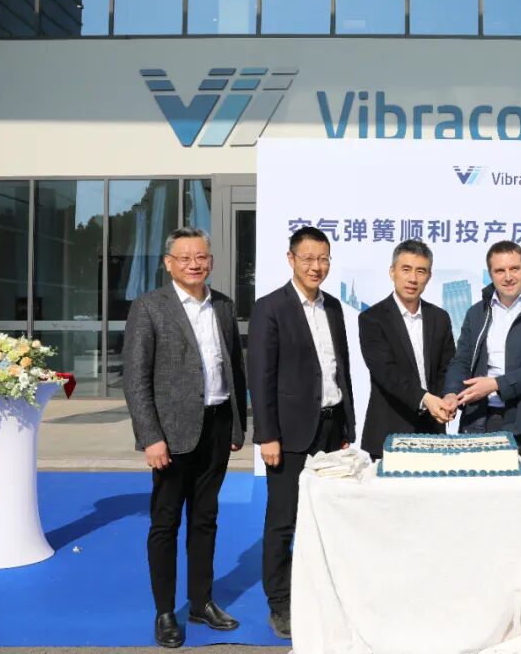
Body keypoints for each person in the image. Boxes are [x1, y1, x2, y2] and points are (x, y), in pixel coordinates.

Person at [123, 227, 247, 649]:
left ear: (210, 261)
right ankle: (164, 611)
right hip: (171, 434)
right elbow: (136, 379)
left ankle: (201, 602)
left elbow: (234, 367)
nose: (194, 264)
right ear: (169, 263)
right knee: (166, 522)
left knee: (205, 519)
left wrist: (236, 424)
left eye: (201, 257)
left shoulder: (223, 305)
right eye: (185, 257)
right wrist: (150, 437)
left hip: (217, 425)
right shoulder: (149, 307)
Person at [247, 226, 356, 640]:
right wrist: (267, 435)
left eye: (323, 259)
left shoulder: (334, 308)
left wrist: (346, 425)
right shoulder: (270, 308)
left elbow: (340, 369)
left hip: (331, 428)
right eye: (308, 258)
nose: (316, 266)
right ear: (291, 259)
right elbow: (261, 376)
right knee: (283, 520)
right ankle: (280, 602)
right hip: (289, 433)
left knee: (328, 515)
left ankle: (324, 593)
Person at [443, 240, 521, 534]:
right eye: (500, 271)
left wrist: (496, 384)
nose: (508, 276)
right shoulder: (477, 312)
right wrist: (450, 393)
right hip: (483, 423)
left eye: (514, 268)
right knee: (485, 513)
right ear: (490, 274)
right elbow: (462, 359)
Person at [358, 239, 457, 458]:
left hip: (433, 432)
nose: (413, 278)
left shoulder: (440, 317)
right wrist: (426, 399)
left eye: (421, 271)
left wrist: (449, 395)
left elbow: (448, 366)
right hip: (390, 433)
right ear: (392, 272)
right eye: (406, 269)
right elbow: (386, 372)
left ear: (429, 276)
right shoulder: (372, 319)